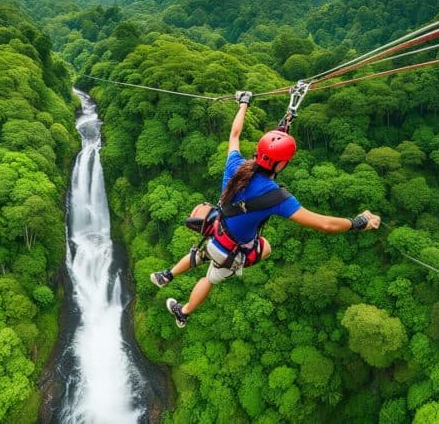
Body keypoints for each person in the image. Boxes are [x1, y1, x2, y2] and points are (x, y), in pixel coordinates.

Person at [150, 92, 381, 328]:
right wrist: (358, 222)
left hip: (218, 229)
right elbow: (323, 224)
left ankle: (166, 275)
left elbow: (235, 134)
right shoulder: (276, 197)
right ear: (282, 164)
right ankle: (184, 311)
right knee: (214, 275)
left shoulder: (235, 166)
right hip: (229, 250)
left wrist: (243, 104)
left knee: (203, 253)